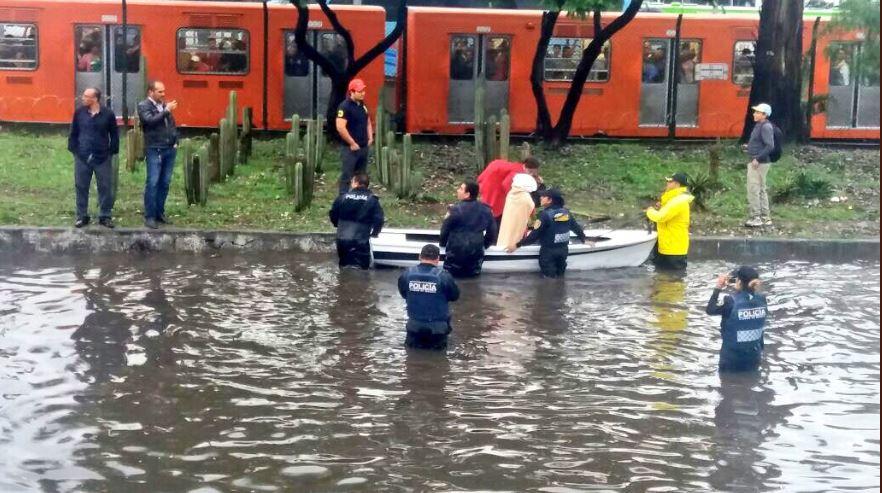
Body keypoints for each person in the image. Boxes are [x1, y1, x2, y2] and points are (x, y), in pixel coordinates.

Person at [68, 87, 119, 229]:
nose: (82, 98)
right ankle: (82, 216)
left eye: (86, 96)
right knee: (81, 186)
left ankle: (104, 216)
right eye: (83, 95)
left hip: (102, 157)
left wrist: (111, 152)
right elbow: (74, 132)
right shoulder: (79, 113)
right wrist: (74, 150)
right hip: (82, 156)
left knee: (105, 187)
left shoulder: (108, 114)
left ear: (95, 99)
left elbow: (114, 134)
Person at [512, 188, 587, 277]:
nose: (540, 198)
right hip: (563, 251)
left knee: (549, 280)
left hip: (548, 252)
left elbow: (534, 235)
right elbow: (576, 228)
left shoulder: (544, 215)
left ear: (550, 200)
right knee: (560, 277)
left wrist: (517, 245)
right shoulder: (566, 212)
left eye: (543, 196)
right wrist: (584, 239)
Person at [397, 244, 460, 350]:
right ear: (438, 259)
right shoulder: (444, 276)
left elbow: (404, 294)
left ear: (419, 257)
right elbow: (454, 296)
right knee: (439, 362)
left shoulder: (406, 275)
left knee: (412, 360)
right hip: (437, 330)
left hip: (414, 328)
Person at [706, 266, 767, 373]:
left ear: (738, 282)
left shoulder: (731, 301)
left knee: (727, 387)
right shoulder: (762, 300)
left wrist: (718, 287)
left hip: (731, 360)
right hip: (754, 358)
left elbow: (710, 310)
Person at [137, 80, 179, 229]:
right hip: (155, 148)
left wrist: (176, 141)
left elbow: (171, 124)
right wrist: (166, 110)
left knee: (165, 183)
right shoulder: (144, 106)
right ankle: (150, 216)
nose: (163, 94)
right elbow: (149, 122)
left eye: (163, 91)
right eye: (160, 91)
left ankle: (159, 212)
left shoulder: (163, 105)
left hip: (169, 148)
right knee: (153, 182)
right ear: (150, 92)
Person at [439, 180, 497, 278]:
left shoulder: (454, 210)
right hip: (476, 250)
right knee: (473, 279)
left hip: (455, 250)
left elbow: (444, 230)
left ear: (467, 194)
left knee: (450, 278)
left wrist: (443, 244)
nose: (458, 190)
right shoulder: (486, 210)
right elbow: (492, 232)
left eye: (461, 189)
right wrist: (484, 245)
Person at [329, 173, 384, 269]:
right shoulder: (372, 200)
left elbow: (333, 214)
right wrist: (375, 233)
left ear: (356, 183)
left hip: (342, 240)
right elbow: (379, 219)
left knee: (344, 267)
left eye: (352, 182)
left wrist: (337, 225)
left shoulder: (342, 198)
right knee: (361, 270)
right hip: (360, 241)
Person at [645, 172, 694, 271]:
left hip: (674, 250)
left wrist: (649, 211)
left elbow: (660, 217)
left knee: (674, 282)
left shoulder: (678, 201)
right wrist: (660, 207)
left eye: (670, 181)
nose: (667, 183)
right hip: (667, 246)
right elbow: (667, 214)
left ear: (677, 184)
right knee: (662, 280)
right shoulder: (674, 199)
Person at [477, 156, 544, 223]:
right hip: (494, 189)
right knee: (493, 212)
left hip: (486, 182)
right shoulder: (518, 173)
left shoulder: (517, 166)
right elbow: (506, 184)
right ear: (531, 170)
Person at [335, 78, 373, 194]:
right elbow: (341, 127)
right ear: (351, 92)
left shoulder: (362, 105)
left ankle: (360, 197)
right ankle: (343, 198)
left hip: (363, 147)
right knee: (347, 176)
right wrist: (352, 143)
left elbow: (368, 121)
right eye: (360, 91)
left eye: (363, 90)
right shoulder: (344, 107)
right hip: (350, 149)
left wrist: (370, 137)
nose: (363, 93)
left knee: (361, 176)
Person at [744, 103, 774, 228]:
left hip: (759, 163)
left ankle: (757, 217)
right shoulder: (759, 125)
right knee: (760, 189)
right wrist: (749, 147)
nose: (754, 114)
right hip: (757, 161)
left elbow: (770, 145)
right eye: (755, 111)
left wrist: (757, 158)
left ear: (764, 115)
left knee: (754, 189)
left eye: (757, 112)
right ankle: (765, 217)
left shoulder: (765, 127)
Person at [496, 173, 537, 252]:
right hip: (520, 234)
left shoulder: (510, 194)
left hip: (506, 229)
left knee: (505, 237)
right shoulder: (527, 200)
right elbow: (532, 218)